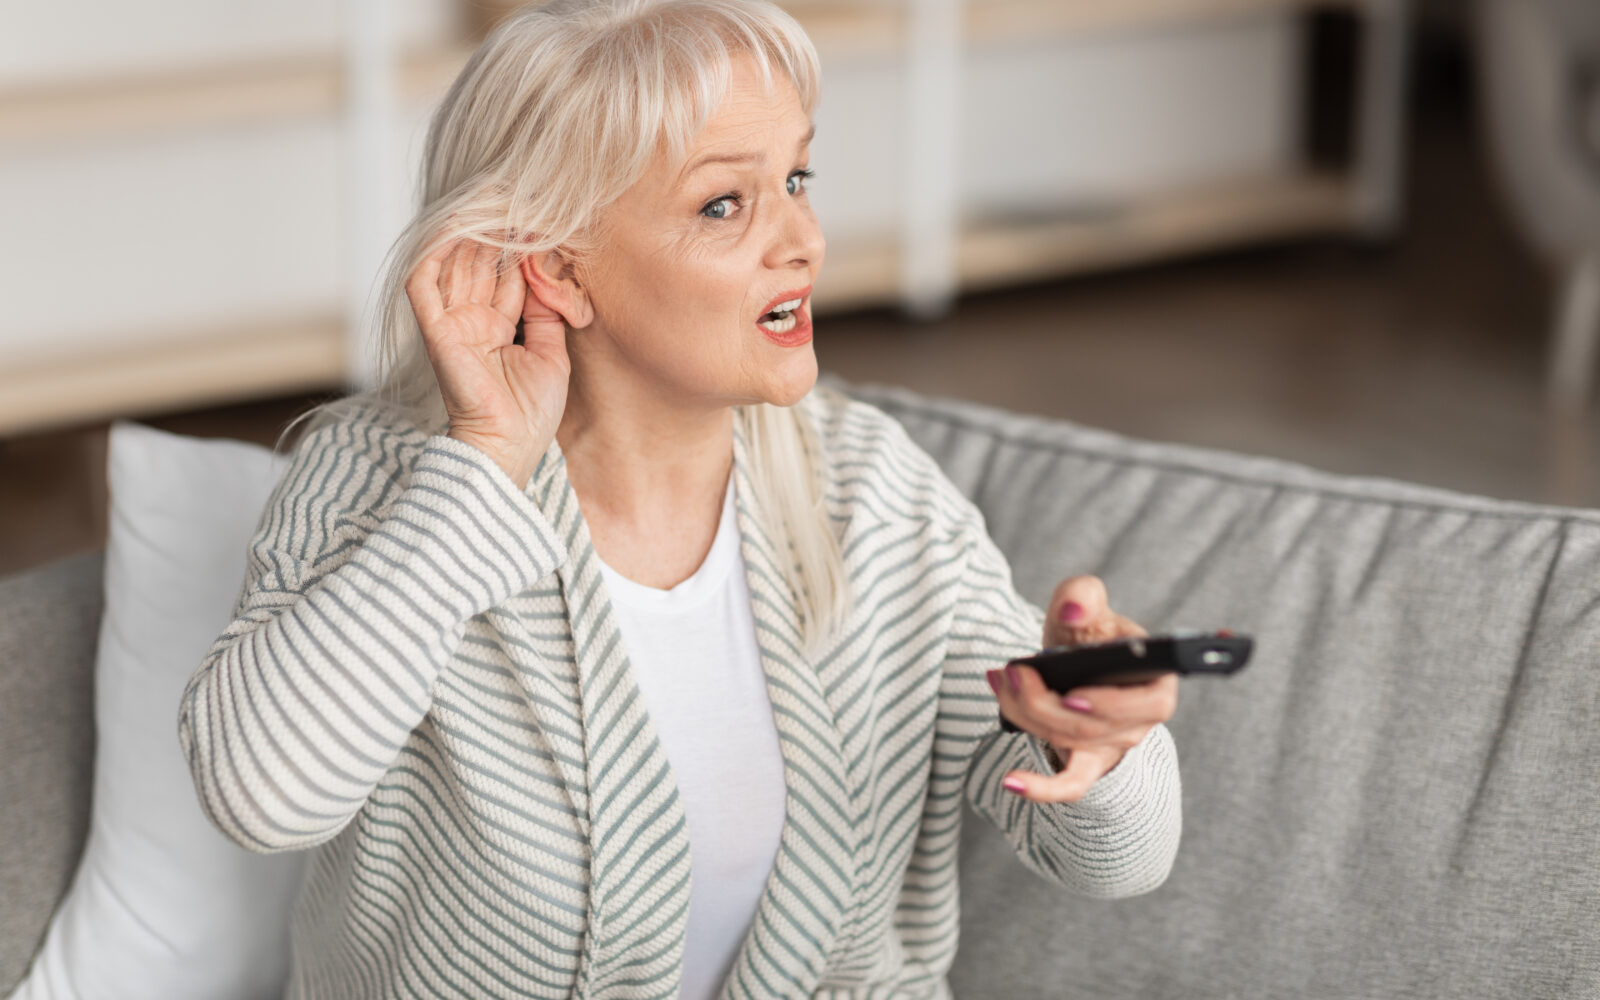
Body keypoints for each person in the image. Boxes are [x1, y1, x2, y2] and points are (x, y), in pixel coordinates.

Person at [179, 1, 1182, 996]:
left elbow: (1119, 860)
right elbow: (261, 795)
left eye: (796, 179)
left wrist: (1095, 734)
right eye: (724, 204)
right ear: (558, 270)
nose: (803, 241)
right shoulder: (383, 481)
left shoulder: (869, 489)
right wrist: (483, 461)